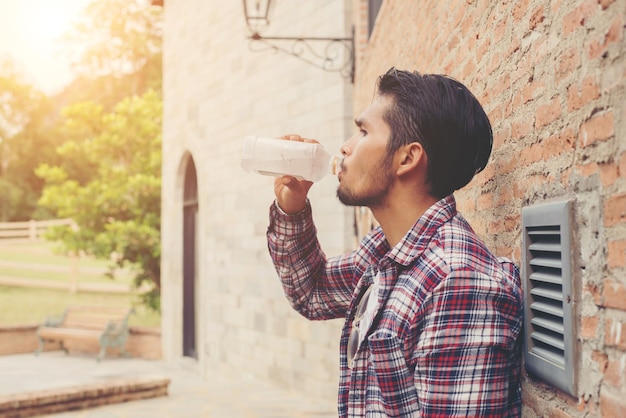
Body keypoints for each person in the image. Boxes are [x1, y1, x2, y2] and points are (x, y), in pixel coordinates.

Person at [266, 68, 523, 417]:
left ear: (407, 158)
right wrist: (292, 206)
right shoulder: (387, 250)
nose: (345, 146)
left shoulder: (458, 281)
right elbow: (312, 292)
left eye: (362, 131)